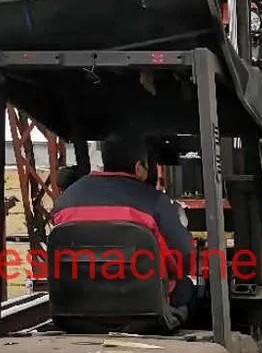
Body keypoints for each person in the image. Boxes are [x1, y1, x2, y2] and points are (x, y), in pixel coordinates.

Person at [52, 133, 196, 318]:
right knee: (187, 289)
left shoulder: (66, 200)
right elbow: (183, 258)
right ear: (138, 167)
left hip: (76, 311)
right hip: (146, 313)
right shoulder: (154, 202)